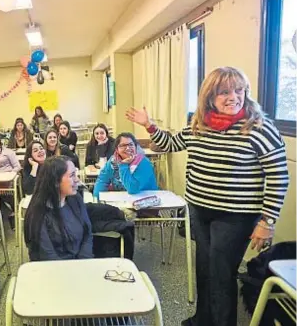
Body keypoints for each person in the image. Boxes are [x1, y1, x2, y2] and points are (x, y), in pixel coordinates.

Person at [126, 66, 289, 326]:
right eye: (224, 92)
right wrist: (149, 125)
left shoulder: (259, 129)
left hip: (236, 216)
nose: (233, 97)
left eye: (239, 90)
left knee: (221, 274)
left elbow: (279, 176)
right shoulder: (198, 126)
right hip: (200, 210)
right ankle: (202, 319)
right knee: (203, 268)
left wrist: (267, 222)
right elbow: (170, 144)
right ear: (209, 97)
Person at [24, 156, 93, 261]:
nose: (77, 180)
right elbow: (47, 256)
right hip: (54, 269)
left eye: (76, 174)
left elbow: (87, 233)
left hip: (81, 263)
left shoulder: (76, 199)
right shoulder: (38, 215)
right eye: (72, 175)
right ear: (56, 182)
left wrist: (84, 261)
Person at [93, 132, 158, 199]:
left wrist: (123, 165)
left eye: (131, 145)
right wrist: (98, 200)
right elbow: (102, 180)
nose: (127, 148)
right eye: (123, 145)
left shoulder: (143, 163)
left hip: (145, 202)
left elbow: (133, 189)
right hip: (123, 201)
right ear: (117, 150)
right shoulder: (113, 161)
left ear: (135, 147)